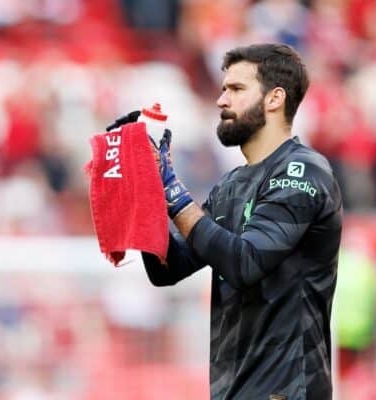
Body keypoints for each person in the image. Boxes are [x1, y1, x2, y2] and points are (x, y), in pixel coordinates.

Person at [112, 43, 343, 399]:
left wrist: (172, 193)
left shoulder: (303, 171)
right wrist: (144, 194)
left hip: (288, 391)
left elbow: (245, 262)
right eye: (223, 89)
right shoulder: (232, 185)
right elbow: (167, 269)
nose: (222, 100)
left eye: (236, 89)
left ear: (274, 98)